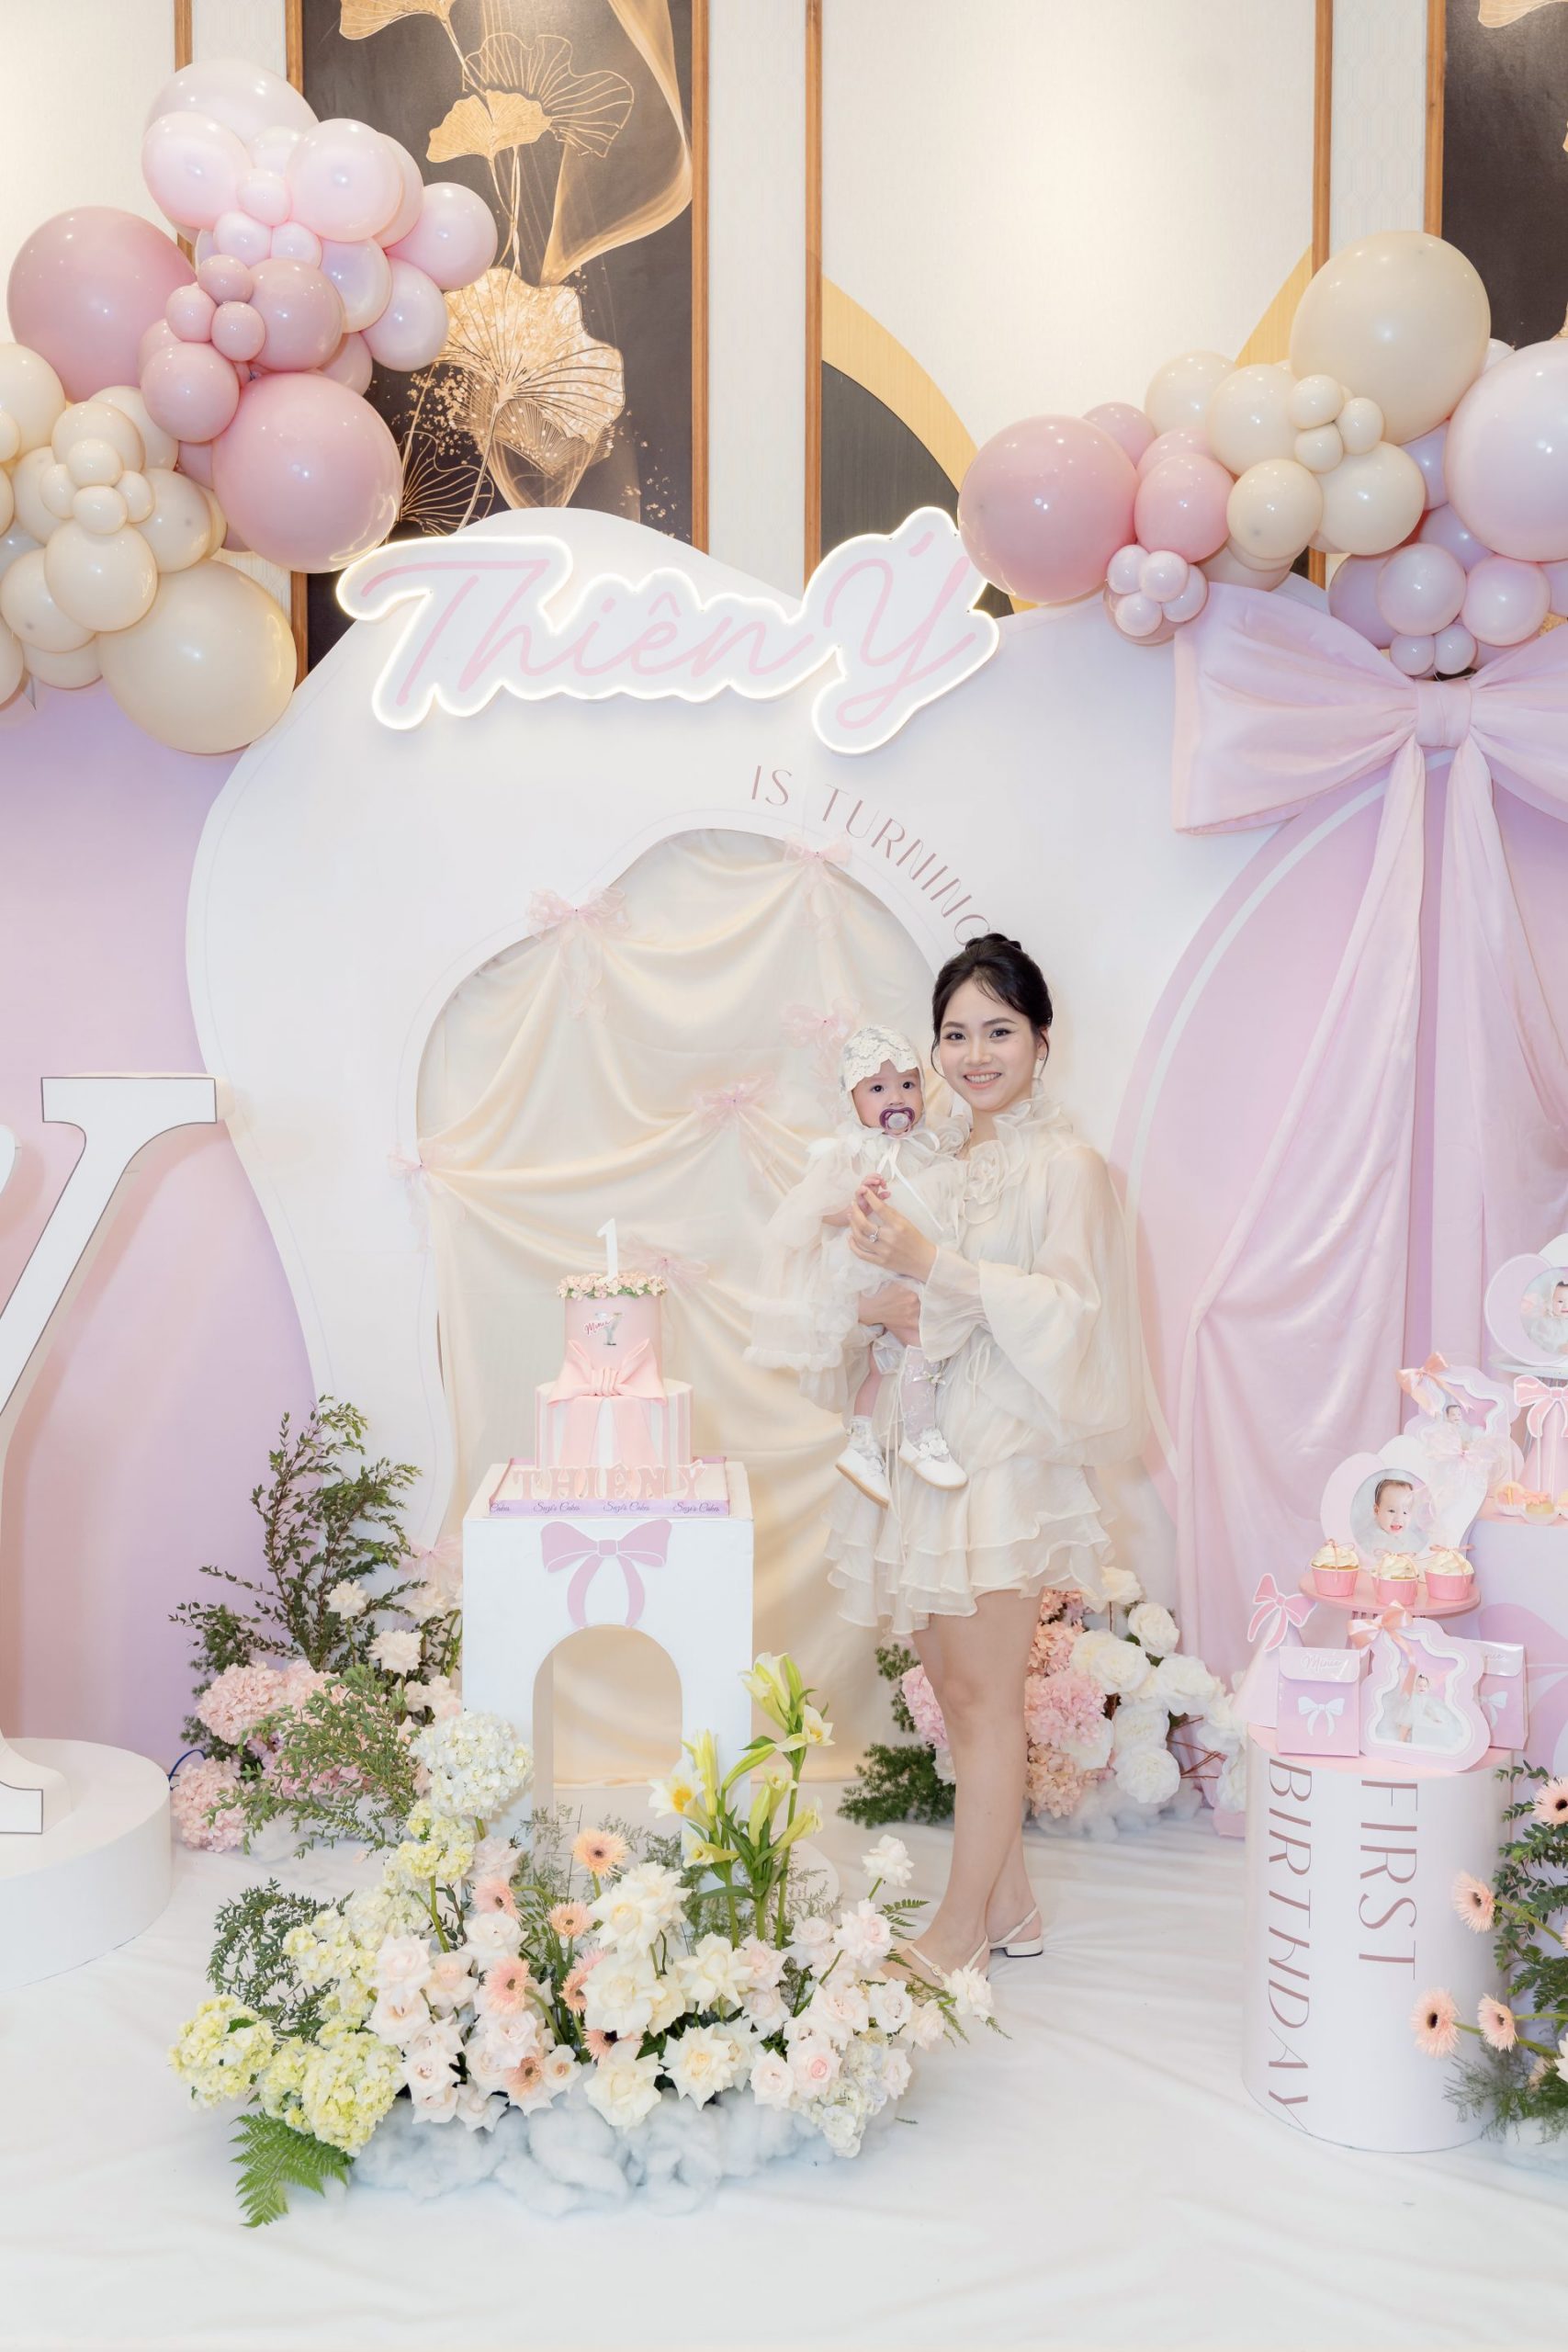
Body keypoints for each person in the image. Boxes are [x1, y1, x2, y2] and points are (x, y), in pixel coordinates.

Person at [831, 933, 1144, 1982]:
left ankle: (958, 1928)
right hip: (927, 1445)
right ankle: (1012, 1906)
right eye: (955, 1033)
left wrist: (932, 1268)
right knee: (951, 1688)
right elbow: (892, 1297)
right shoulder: (931, 1160)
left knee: (984, 1697)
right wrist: (880, 1295)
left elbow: (1072, 1314)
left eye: (997, 1031)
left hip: (1007, 1454)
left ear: (1041, 1041)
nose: (974, 1054)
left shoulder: (1070, 1167)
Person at [748, 1025, 967, 1500]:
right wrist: (855, 1203)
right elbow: (813, 1211)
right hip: (869, 1266)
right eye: (878, 1088)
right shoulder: (851, 1151)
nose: (897, 1097)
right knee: (922, 1338)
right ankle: (921, 1436)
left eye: (907, 1084)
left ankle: (862, 1444)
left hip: (910, 1262)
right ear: (853, 1100)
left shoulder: (929, 1145)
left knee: (880, 1364)